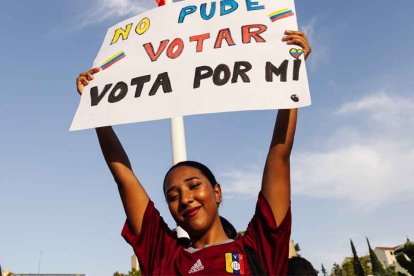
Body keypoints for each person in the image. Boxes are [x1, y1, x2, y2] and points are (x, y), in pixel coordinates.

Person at [76, 30, 311, 275]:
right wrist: (96, 109)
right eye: (173, 196)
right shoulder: (164, 259)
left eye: (193, 185)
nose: (185, 199)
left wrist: (292, 74)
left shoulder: (258, 248)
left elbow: (279, 156)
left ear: (217, 192)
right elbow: (124, 178)